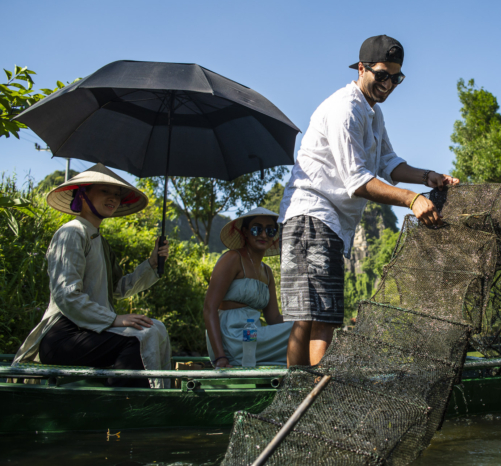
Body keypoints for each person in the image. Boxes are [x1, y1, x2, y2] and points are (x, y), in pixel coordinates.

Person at [278, 34, 459, 367]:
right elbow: (357, 181)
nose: (389, 83)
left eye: (396, 77)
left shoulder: (372, 113)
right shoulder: (346, 109)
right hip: (312, 216)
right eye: (382, 75)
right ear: (361, 69)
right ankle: (308, 397)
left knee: (318, 316)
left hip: (330, 224)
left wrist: (425, 177)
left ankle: (306, 395)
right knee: (315, 318)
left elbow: (388, 162)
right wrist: (412, 199)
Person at [13, 163, 171, 388]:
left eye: (117, 194)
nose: (113, 199)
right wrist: (113, 319)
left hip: (92, 331)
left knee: (156, 328)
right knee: (139, 338)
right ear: (83, 194)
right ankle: (122, 409)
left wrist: (152, 263)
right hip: (64, 335)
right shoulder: (72, 233)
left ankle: (141, 403)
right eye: (105, 191)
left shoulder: (101, 242)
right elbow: (67, 295)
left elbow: (118, 288)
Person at [204, 208, 293, 368]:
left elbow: (273, 319)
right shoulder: (232, 259)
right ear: (245, 232)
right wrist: (220, 357)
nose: (263, 234)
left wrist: (304, 320)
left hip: (253, 336)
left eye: (270, 230)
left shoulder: (267, 272)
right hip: (231, 336)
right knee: (299, 332)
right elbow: (209, 308)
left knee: (304, 328)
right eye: (256, 228)